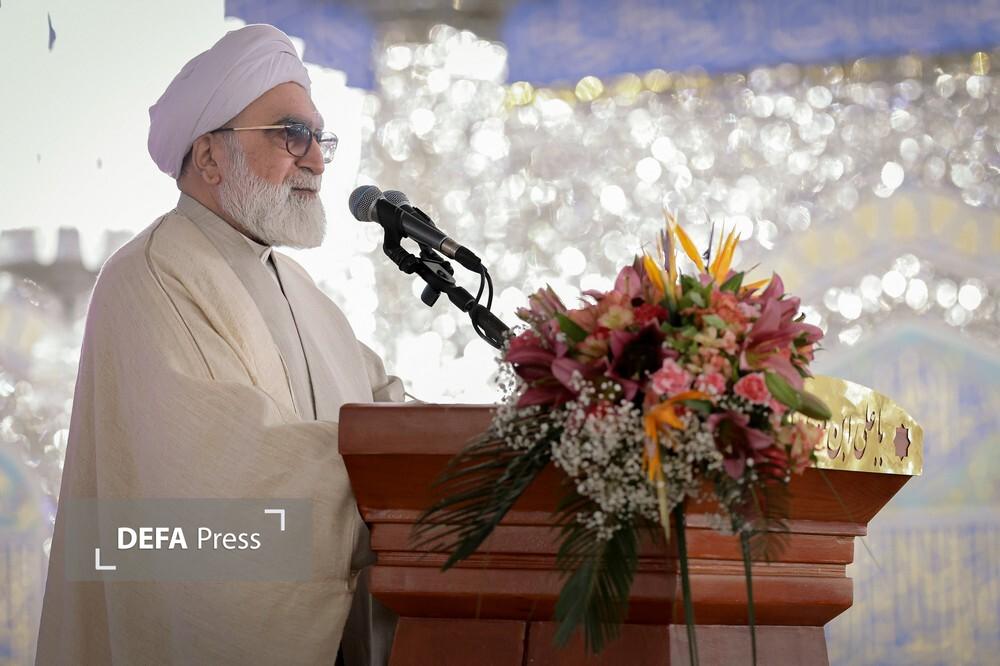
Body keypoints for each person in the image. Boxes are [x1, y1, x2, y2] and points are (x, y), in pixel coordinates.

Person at [36, 24, 400, 665]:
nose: (316, 161)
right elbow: (219, 485)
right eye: (291, 134)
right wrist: (382, 480)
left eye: (319, 139)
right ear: (209, 156)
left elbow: (388, 410)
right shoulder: (149, 275)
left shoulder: (302, 291)